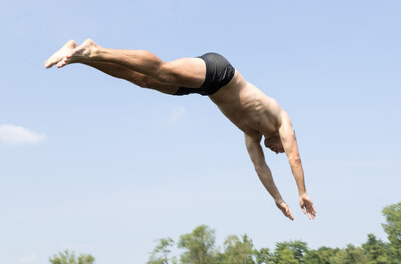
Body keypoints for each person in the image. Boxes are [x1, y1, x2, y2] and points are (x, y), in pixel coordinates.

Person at [45, 39, 316, 220]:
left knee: (144, 80)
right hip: (219, 72)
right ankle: (92, 50)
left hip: (204, 88)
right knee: (161, 71)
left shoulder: (251, 135)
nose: (279, 152)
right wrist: (302, 192)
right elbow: (296, 157)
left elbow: (261, 168)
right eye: (281, 148)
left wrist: (278, 199)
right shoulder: (281, 119)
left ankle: (81, 56)